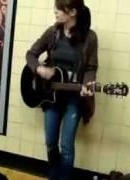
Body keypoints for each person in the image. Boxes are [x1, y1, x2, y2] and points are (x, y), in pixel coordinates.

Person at [25, 0, 98, 179]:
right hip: (52, 97)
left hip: (74, 98)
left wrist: (88, 85)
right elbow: (31, 54)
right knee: (50, 143)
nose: (55, 12)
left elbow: (90, 68)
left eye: (59, 9)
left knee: (66, 146)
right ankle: (53, 175)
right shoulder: (52, 33)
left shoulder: (90, 37)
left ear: (72, 12)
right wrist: (39, 69)